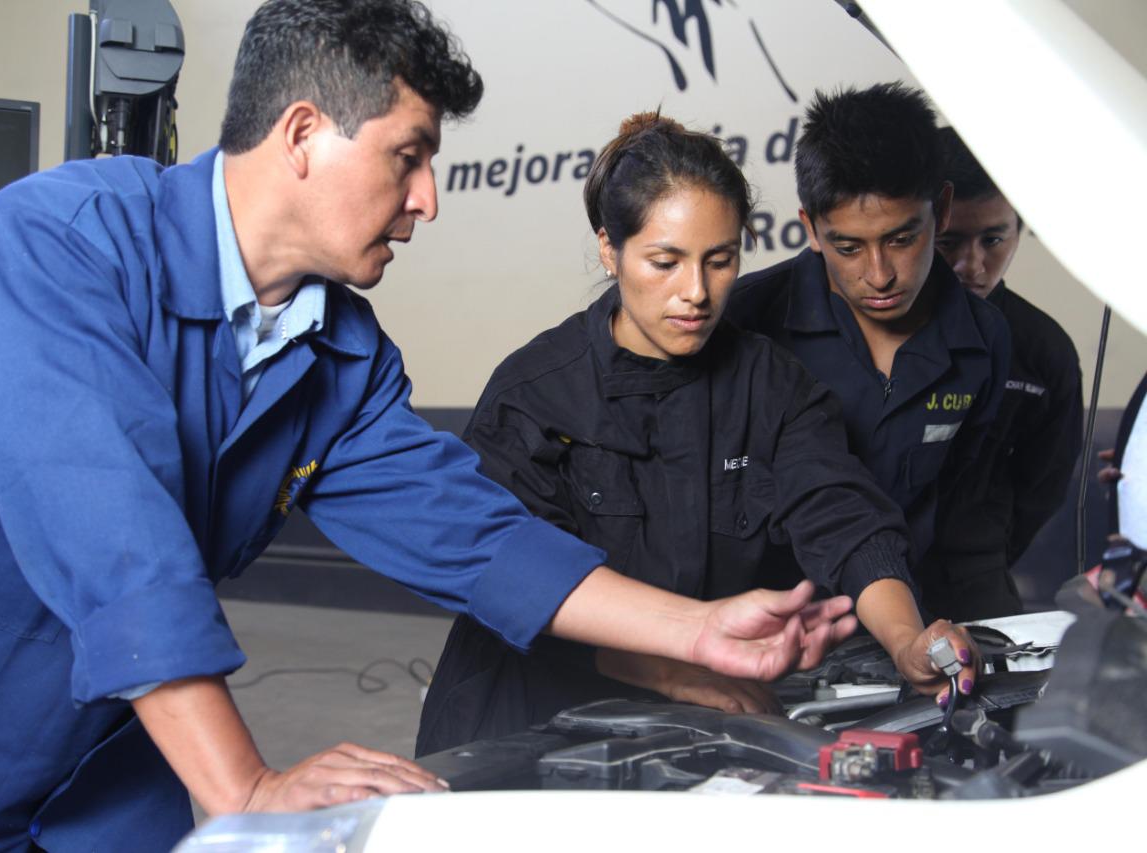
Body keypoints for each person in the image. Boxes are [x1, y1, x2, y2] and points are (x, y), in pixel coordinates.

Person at [0, 3, 859, 851]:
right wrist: (246, 784)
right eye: (408, 157)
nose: (428, 199)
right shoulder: (60, 242)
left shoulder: (340, 352)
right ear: (303, 133)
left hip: (98, 754)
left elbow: (471, 532)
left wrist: (695, 629)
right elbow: (111, 534)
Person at [415, 113, 978, 758]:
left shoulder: (772, 385)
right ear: (609, 249)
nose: (697, 293)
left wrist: (906, 638)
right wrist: (673, 668)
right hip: (522, 724)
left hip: (694, 727)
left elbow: (843, 516)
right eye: (665, 262)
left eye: (720, 261)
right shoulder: (533, 394)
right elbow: (508, 579)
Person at [724, 82, 1012, 619]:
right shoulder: (743, 321)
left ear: (942, 209)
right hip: (764, 630)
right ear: (811, 229)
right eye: (849, 246)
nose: (879, 275)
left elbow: (966, 520)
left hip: (908, 626)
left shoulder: (985, 339)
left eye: (901, 239)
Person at [924, 127, 1082, 618]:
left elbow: (1042, 488)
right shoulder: (865, 328)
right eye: (949, 242)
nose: (971, 265)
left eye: (993, 239)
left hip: (976, 578)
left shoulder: (1044, 350)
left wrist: (982, 550)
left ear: (1020, 228)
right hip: (849, 579)